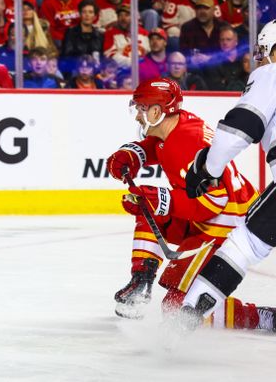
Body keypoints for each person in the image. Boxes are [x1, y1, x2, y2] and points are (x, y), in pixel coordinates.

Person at [105, 77, 270, 330]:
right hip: (209, 217)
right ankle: (141, 281)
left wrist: (163, 200)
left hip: (224, 224)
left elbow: (215, 199)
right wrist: (134, 154)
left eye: (141, 109)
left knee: (176, 307)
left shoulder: (186, 141)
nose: (138, 116)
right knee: (147, 205)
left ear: (157, 111)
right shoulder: (175, 126)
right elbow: (157, 146)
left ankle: (258, 318)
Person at [179, 21, 276, 329]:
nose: (262, 60)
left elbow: (237, 132)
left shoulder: (271, 74)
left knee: (244, 244)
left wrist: (207, 168)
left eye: (265, 52)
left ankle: (182, 324)